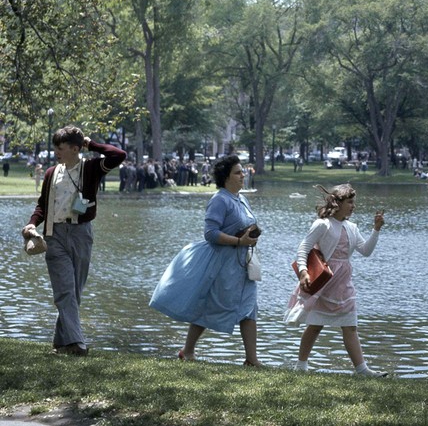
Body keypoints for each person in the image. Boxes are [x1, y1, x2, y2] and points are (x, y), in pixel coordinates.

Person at [20, 125, 126, 356]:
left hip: (81, 234)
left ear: (75, 148)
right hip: (54, 235)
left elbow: (119, 155)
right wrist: (32, 223)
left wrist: (92, 145)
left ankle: (62, 343)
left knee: (74, 291)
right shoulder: (51, 173)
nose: (56, 152)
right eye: (56, 147)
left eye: (61, 147)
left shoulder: (91, 168)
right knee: (65, 291)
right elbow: (42, 204)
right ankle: (77, 344)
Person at [149, 155, 263, 366]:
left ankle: (252, 360)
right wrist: (239, 240)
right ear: (226, 177)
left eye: (242, 172)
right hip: (223, 265)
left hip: (243, 264)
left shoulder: (242, 199)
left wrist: (250, 238)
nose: (243, 175)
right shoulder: (219, 199)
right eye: (238, 172)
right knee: (210, 306)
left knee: (249, 307)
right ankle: (188, 350)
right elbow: (210, 233)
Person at [285, 183, 386, 376]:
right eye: (350, 202)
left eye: (353, 202)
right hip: (324, 282)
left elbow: (366, 251)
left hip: (343, 284)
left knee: (350, 326)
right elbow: (303, 248)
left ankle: (362, 370)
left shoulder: (352, 227)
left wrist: (376, 230)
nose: (353, 206)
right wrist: (304, 272)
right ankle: (301, 366)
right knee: (314, 325)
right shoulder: (323, 224)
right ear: (337, 203)